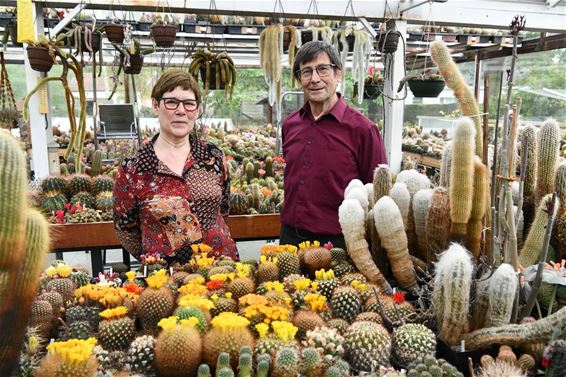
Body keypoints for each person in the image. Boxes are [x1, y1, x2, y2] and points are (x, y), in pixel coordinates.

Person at [113, 69, 237, 265]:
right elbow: (126, 230)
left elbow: (223, 210)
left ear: (196, 110)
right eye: (171, 102)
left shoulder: (213, 157)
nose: (181, 111)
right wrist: (159, 254)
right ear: (155, 105)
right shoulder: (134, 168)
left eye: (189, 103)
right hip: (165, 280)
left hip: (220, 269)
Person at [279, 41, 387, 249]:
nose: (315, 79)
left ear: (338, 75)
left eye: (322, 69)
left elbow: (375, 192)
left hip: (338, 242)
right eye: (307, 72)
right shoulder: (290, 124)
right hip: (291, 238)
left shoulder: (363, 130)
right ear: (299, 79)